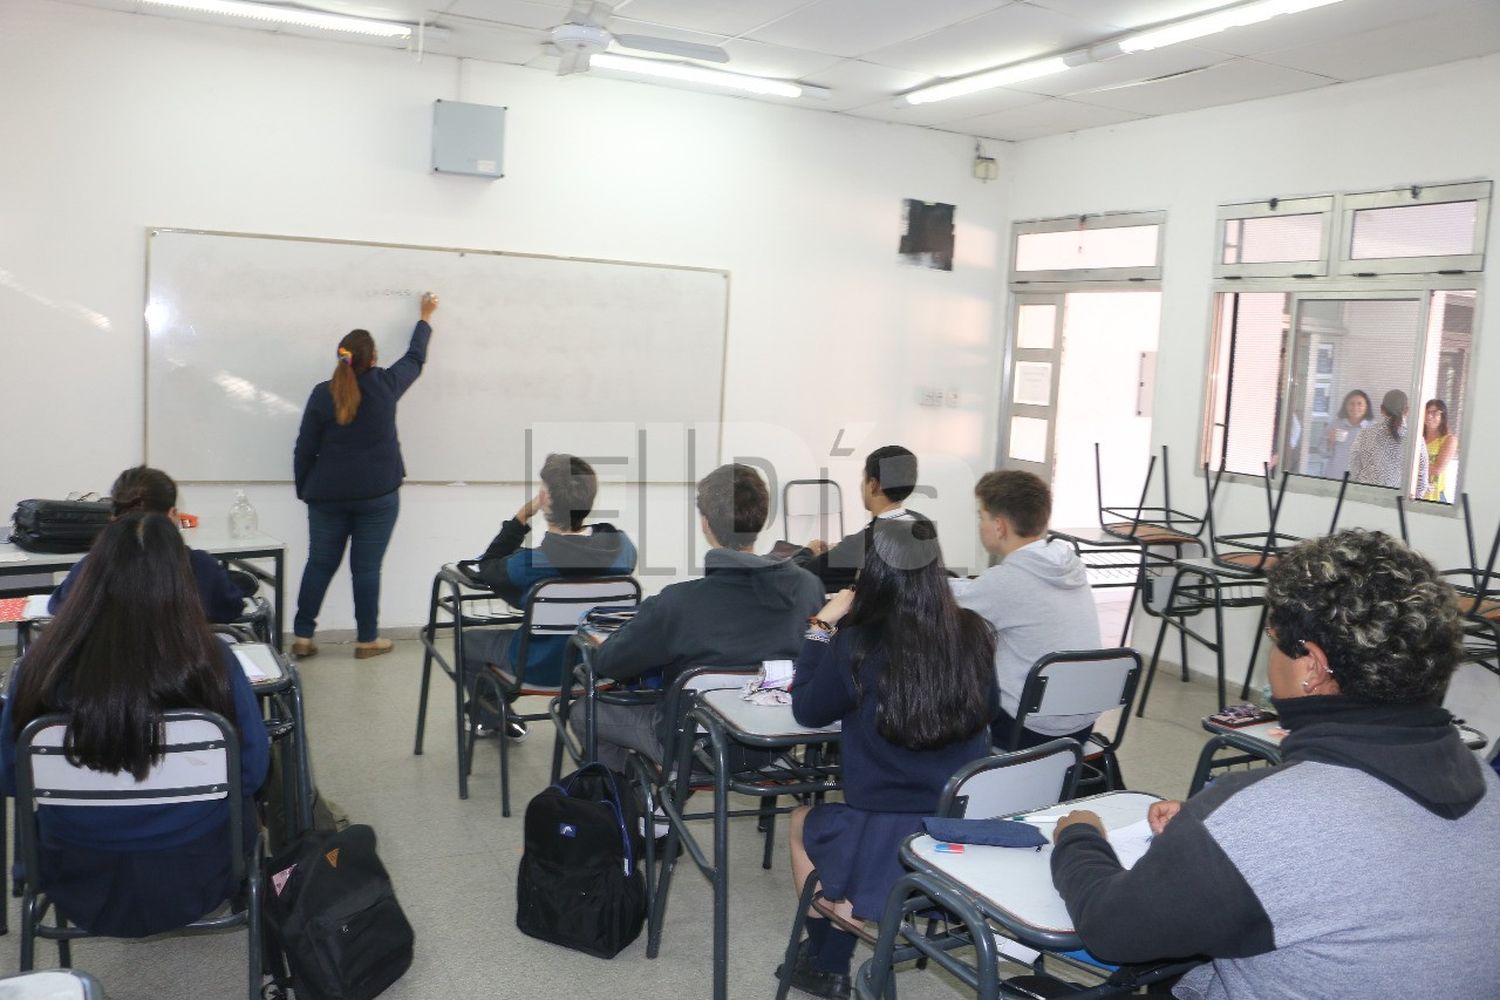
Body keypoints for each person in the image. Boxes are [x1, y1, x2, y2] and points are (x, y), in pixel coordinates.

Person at [1048, 529, 1500, 998]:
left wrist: (1078, 836)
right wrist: (1217, 835)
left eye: (1274, 638)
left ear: (1312, 667)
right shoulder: (1486, 782)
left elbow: (1112, 927)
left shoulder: (1260, 820)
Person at [0, 513, 270, 938]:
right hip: (199, 870)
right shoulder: (214, 661)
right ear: (179, 581)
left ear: (89, 575)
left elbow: (13, 777)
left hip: (73, 872)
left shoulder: (38, 664)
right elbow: (251, 773)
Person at [781, 520, 998, 1000]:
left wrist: (820, 628)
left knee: (802, 821)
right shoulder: (975, 633)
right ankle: (839, 941)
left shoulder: (857, 643)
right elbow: (991, 710)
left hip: (881, 826)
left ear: (874, 574)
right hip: (956, 827)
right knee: (863, 834)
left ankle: (828, 964)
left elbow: (807, 711)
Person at [590, 463, 823, 770]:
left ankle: (633, 803)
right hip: (777, 743)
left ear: (705, 523)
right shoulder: (809, 588)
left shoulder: (677, 602)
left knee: (584, 711)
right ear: (762, 519)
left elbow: (609, 664)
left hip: (697, 748)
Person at [292, 291, 438, 659]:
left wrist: (306, 489)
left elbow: (304, 448)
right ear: (373, 359)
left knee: (319, 563)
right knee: (366, 569)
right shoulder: (386, 385)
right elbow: (416, 358)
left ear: (342, 358)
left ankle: (303, 637)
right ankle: (366, 639)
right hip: (377, 496)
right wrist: (425, 317)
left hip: (326, 496)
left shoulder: (322, 394)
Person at [462, 453, 637, 740]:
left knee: (466, 641)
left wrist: (521, 517)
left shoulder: (529, 564)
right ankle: (493, 709)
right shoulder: (623, 548)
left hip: (538, 666)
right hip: (594, 664)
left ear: (544, 498)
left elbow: (489, 565)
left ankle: (489, 714)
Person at [957, 469, 1103, 749]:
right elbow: (980, 591)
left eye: (982, 517)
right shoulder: (1067, 565)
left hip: (1027, 729)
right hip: (1081, 726)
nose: (980, 525)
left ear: (999, 526)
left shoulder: (1008, 580)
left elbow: (946, 607)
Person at [49, 465, 249, 623]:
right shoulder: (201, 566)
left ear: (113, 517)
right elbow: (231, 608)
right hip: (186, 669)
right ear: (172, 515)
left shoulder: (91, 566)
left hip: (104, 672)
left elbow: (58, 606)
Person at [791, 445, 926, 592]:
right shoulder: (923, 526)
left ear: (873, 485)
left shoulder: (861, 545)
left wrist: (808, 551)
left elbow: (798, 576)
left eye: (864, 478)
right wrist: (840, 552)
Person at [1346, 388, 1427, 497]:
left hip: (1366, 499)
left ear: (1382, 409)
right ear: (1407, 410)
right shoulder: (1415, 439)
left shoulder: (1365, 434)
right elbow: (1421, 483)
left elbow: (1354, 469)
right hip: (1398, 504)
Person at [1322, 389, 1371, 481]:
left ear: (1366, 407)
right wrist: (1329, 443)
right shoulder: (1335, 425)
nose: (1355, 407)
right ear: (1346, 406)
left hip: (1359, 482)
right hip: (1334, 478)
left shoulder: (1372, 429)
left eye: (1360, 404)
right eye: (1351, 403)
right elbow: (1322, 453)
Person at [1421, 397, 1458, 503]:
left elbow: (1438, 469)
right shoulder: (1417, 438)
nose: (1429, 416)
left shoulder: (1449, 439)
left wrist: (1414, 466)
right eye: (1427, 412)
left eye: (1434, 413)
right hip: (1415, 493)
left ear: (1443, 416)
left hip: (1434, 497)